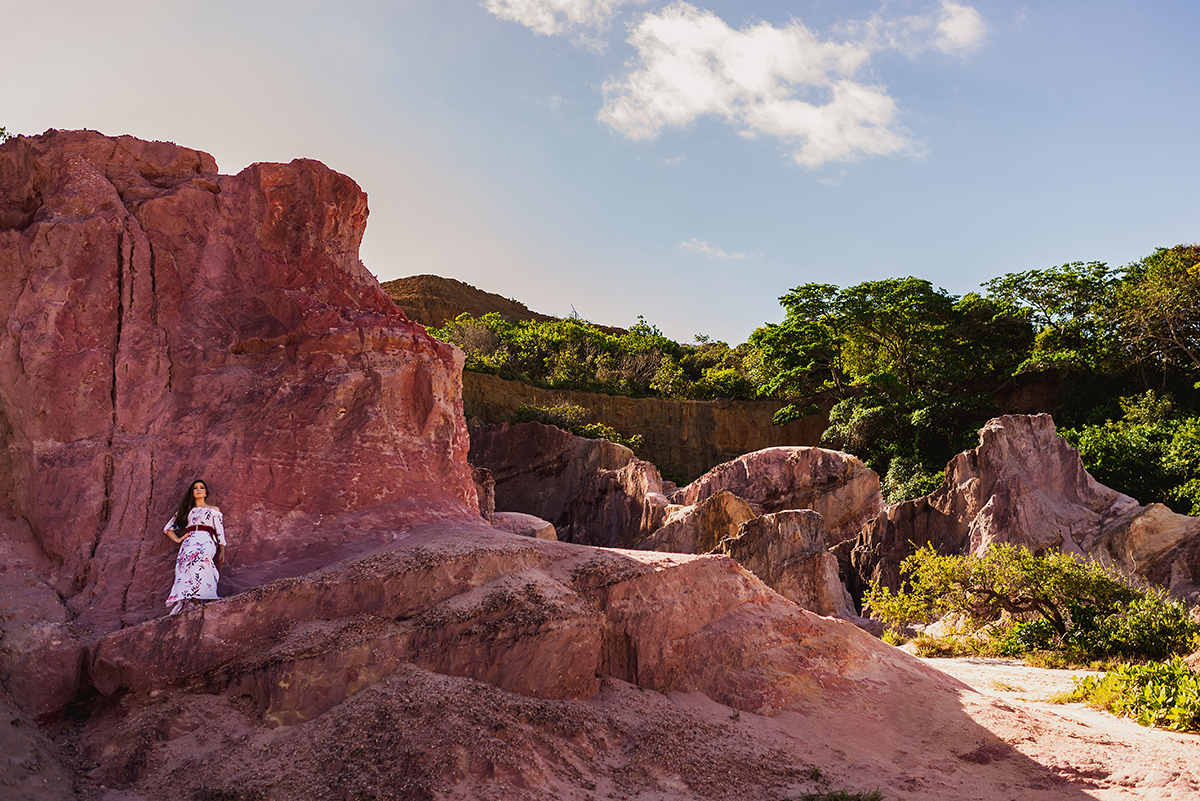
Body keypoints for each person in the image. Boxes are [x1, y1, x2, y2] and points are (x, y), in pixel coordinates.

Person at [163, 478, 227, 615]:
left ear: (206, 492)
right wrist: (178, 539)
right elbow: (168, 528)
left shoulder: (214, 510)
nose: (198, 490)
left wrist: (222, 549)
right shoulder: (187, 511)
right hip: (190, 541)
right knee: (189, 567)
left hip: (207, 539)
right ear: (192, 492)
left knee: (204, 562)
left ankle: (210, 597)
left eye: (201, 487)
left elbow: (220, 531)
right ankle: (196, 602)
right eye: (195, 488)